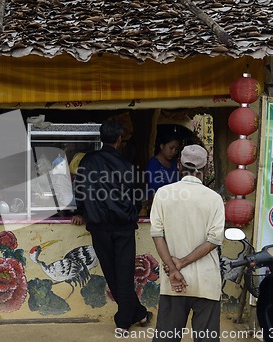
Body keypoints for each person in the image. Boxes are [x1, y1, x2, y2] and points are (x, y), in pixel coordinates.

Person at [72, 119, 152, 334]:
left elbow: (80, 190)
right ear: (119, 139)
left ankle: (137, 314)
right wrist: (134, 212)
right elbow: (136, 196)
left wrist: (81, 212)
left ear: (101, 138)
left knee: (113, 274)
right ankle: (126, 321)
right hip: (123, 226)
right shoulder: (127, 164)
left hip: (99, 226)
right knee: (124, 275)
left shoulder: (87, 162)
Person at [149, 144, 224, 342]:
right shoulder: (214, 199)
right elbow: (214, 240)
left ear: (179, 167)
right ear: (206, 169)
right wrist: (181, 262)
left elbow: (157, 235)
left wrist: (174, 269)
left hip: (173, 282)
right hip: (206, 281)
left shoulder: (163, 194)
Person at [145, 134, 181, 202]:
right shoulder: (153, 164)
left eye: (176, 149)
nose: (173, 152)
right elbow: (155, 188)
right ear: (162, 146)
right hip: (157, 202)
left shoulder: (174, 163)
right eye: (171, 148)